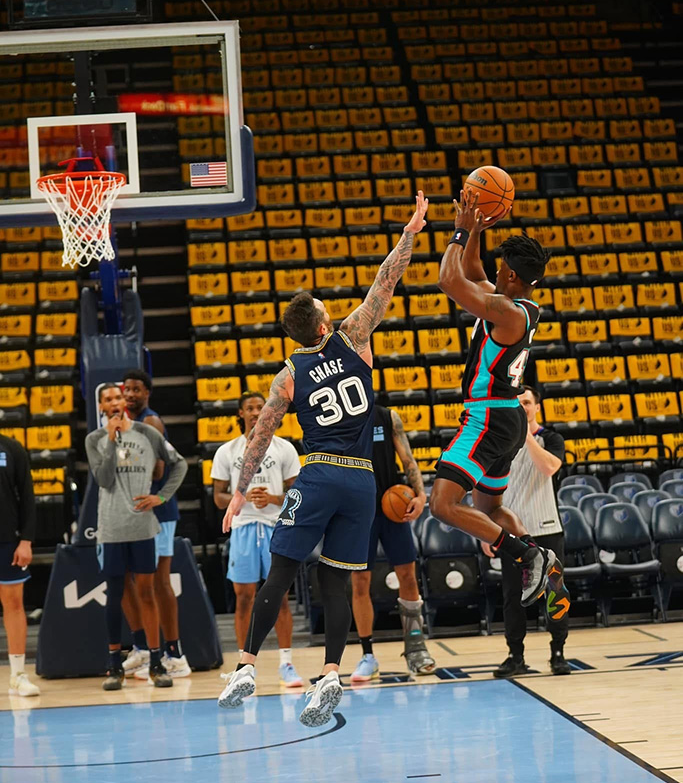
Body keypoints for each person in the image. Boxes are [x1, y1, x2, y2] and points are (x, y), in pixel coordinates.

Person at [218, 191, 429, 726]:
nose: (333, 313)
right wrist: (410, 234)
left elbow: (262, 434)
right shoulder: (355, 338)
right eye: (326, 312)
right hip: (361, 483)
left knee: (284, 570)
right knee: (337, 580)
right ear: (320, 327)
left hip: (317, 475)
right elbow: (387, 281)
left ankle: (246, 664)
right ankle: (332, 672)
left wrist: (240, 491)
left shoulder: (287, 374)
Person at [429, 190, 564, 606]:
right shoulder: (517, 303)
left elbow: (450, 279)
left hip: (487, 417)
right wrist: (477, 232)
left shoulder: (506, 312)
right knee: (489, 511)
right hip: (507, 418)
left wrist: (460, 230)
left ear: (510, 275)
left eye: (501, 266)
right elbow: (471, 268)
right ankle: (544, 564)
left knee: (443, 505)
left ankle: (529, 555)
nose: (495, 269)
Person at [85, 384, 187, 691]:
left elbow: (179, 463)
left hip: (142, 527)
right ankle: (114, 664)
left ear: (124, 402)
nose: (114, 403)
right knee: (115, 596)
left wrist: (162, 497)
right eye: (107, 400)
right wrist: (112, 441)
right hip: (112, 529)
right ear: (101, 406)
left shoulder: (147, 433)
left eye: (117, 397)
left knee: (147, 592)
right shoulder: (95, 439)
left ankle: (157, 662)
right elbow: (103, 479)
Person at [211, 391, 303, 687]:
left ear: (268, 412)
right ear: (240, 413)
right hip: (244, 527)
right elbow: (217, 497)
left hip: (277, 528)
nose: (254, 412)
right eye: (249, 407)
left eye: (259, 407)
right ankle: (243, 668)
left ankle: (286, 663)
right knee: (244, 597)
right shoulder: (227, 451)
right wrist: (241, 497)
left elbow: (297, 493)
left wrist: (274, 498)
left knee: (280, 598)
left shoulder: (284, 448)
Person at [482, 387, 571, 676]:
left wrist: (525, 435)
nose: (522, 407)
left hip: (547, 527)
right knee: (512, 597)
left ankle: (558, 652)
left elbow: (549, 468)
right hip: (512, 534)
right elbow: (484, 486)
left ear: (537, 407)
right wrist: (486, 530)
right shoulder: (498, 442)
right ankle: (516, 656)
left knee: (555, 592)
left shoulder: (551, 438)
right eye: (517, 404)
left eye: (527, 403)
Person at [350, 404, 436, 680]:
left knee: (408, 577)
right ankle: (367, 656)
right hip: (358, 512)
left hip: (392, 507)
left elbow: (408, 460)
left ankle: (416, 648)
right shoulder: (337, 417)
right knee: (360, 582)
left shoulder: (387, 417)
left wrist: (421, 495)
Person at [119, 369, 191, 680]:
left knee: (158, 583)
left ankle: (174, 653)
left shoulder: (150, 422)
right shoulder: (122, 424)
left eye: (136, 389)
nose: (130, 394)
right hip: (134, 513)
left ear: (147, 393)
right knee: (126, 580)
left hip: (158, 512)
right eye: (127, 389)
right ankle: (144, 647)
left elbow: (160, 470)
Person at [0, 433, 40, 697]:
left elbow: (27, 496)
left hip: (7, 539)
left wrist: (26, 539)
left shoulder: (11, 448)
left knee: (14, 604)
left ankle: (17, 675)